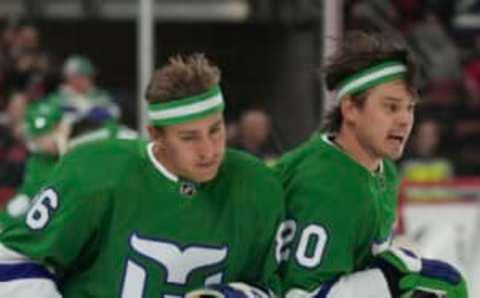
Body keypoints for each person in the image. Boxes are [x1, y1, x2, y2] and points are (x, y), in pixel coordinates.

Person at [0, 53, 284, 298]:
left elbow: (272, 284)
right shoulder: (95, 171)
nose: (208, 151)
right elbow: (15, 260)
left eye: (215, 129)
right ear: (155, 135)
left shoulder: (257, 184)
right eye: (189, 138)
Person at [274, 30, 468, 298]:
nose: (405, 120)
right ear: (350, 108)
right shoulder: (327, 186)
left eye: (410, 108)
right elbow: (301, 295)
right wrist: (390, 280)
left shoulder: (382, 169)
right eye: (391, 107)